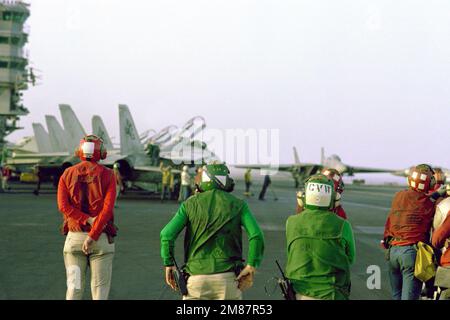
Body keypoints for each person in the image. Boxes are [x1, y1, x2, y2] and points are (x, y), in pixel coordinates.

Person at [160, 163, 265, 300]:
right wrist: (251, 265)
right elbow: (256, 235)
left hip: (196, 280)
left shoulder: (190, 204)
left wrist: (169, 264)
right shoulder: (238, 204)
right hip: (228, 280)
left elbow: (167, 234)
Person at [57, 135, 117, 300]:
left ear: (80, 151)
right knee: (99, 292)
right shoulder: (109, 175)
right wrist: (92, 234)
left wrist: (85, 219)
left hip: (74, 241)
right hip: (101, 241)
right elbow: (107, 209)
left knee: (74, 289)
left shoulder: (67, 174)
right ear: (101, 153)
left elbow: (63, 206)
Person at [286, 174, 355, 300]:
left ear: (302, 198)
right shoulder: (343, 225)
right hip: (332, 293)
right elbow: (350, 258)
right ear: (334, 199)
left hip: (299, 292)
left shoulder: (291, 222)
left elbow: (291, 252)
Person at [383, 164, 445, 300]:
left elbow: (419, 200)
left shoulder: (398, 196)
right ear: (430, 182)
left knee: (396, 296)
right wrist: (440, 191)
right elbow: (434, 206)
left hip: (393, 251)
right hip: (411, 254)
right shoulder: (428, 203)